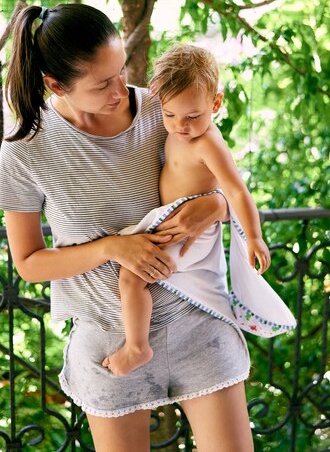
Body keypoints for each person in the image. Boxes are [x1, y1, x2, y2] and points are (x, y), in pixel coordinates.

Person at [0, 4, 255, 452]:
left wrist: (213, 207)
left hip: (197, 324)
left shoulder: (162, 111)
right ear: (55, 84)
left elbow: (229, 188)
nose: (121, 89)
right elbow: (30, 265)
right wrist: (114, 248)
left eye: (121, 72)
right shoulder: (26, 148)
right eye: (102, 84)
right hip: (110, 346)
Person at [104, 44, 271, 378]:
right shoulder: (177, 126)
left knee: (130, 276)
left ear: (216, 104)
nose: (180, 125)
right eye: (169, 115)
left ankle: (137, 347)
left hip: (186, 225)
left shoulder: (208, 142)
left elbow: (236, 189)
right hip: (170, 216)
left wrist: (254, 236)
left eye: (192, 116)